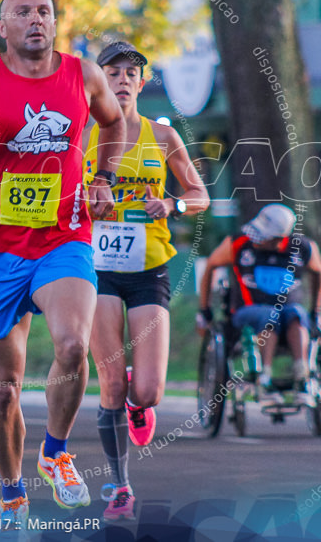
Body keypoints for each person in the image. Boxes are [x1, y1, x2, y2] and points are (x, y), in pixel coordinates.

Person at [0, 0, 126, 529]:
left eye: (45, 11)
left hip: (64, 239)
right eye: (23, 12)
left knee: (70, 344)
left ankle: (56, 451)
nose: (36, 20)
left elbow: (115, 123)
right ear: (3, 26)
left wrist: (103, 178)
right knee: (4, 387)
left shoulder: (82, 75)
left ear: (55, 23)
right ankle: (13, 490)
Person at [83, 41, 209, 521]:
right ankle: (120, 485)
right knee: (111, 382)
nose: (120, 79)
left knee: (149, 390)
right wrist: (85, 204)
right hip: (96, 270)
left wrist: (174, 204)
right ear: (99, 80)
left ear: (141, 81)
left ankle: (140, 401)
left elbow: (200, 196)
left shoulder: (161, 136)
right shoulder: (81, 136)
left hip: (149, 267)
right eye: (111, 71)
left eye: (129, 72)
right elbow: (59, 200)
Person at [196, 203, 321, 405]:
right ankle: (264, 379)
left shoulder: (303, 247)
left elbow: (319, 272)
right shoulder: (239, 243)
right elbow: (211, 265)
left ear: (279, 239)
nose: (256, 240)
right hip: (246, 312)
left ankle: (303, 376)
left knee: (297, 314)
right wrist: (204, 309)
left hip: (287, 311)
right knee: (269, 315)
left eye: (263, 237)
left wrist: (316, 310)